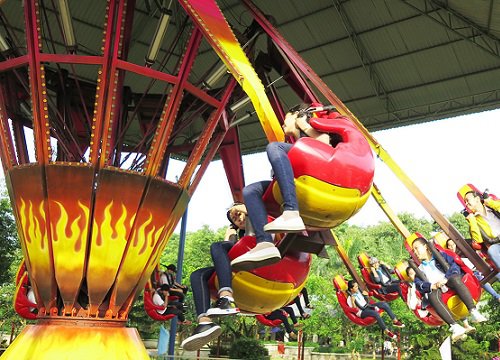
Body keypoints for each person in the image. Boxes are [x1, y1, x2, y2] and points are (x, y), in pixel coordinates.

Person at [231, 104, 331, 271]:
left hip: (318, 174)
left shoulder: (309, 125)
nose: (283, 124)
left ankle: (291, 210)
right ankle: (264, 243)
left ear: (295, 115)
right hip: (299, 178)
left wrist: (303, 123)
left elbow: (325, 145)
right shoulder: (293, 143)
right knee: (250, 191)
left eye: (285, 119)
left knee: (274, 147)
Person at [181, 203, 246, 351]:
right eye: (235, 219)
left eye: (239, 214)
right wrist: (231, 229)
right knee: (197, 275)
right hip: (238, 263)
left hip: (258, 255)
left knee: (216, 246)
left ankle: (226, 296)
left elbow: (254, 213)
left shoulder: (258, 217)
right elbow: (228, 245)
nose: (238, 219)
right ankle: (204, 322)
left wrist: (240, 208)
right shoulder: (236, 232)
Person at [411, 237, 487, 325]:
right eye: (413, 250)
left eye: (416, 248)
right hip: (437, 290)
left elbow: (454, 267)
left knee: (454, 279)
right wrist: (432, 286)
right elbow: (418, 284)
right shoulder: (420, 270)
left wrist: (446, 278)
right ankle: (454, 326)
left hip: (449, 281)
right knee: (432, 296)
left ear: (425, 246)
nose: (415, 252)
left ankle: (473, 311)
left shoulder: (442, 256)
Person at [406, 266, 473, 341]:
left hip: (440, 294)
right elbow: (412, 304)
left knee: (451, 299)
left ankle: (465, 324)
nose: (415, 275)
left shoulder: (428, 275)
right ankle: (459, 326)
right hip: (432, 308)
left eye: (416, 272)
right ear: (409, 277)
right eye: (412, 274)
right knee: (440, 304)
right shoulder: (414, 287)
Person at [461, 188, 500, 269]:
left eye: (468, 200)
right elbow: (478, 240)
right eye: (465, 202)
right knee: (492, 250)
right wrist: (471, 220)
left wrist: (490, 203)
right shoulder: (474, 221)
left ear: (477, 199)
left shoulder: (493, 206)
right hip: (497, 243)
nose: (466, 204)